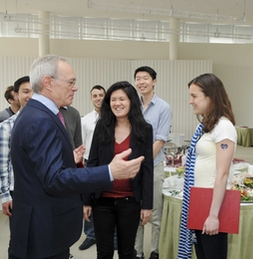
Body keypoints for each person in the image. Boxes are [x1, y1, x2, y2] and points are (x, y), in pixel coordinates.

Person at [9, 55, 145, 259]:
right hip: (43, 231)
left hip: (42, 226)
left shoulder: (38, 114)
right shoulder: (41, 120)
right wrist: (110, 171)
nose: (75, 88)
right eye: (71, 82)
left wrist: (67, 159)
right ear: (48, 82)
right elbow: (54, 180)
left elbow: (39, 167)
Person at [83, 81, 153, 259]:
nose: (117, 103)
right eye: (113, 99)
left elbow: (147, 169)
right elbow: (92, 164)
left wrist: (147, 205)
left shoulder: (144, 129)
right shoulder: (102, 127)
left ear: (131, 101)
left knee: (127, 251)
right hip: (102, 201)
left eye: (122, 99)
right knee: (104, 252)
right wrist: (86, 201)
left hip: (130, 201)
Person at [177, 73, 237, 259]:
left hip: (212, 203)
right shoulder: (205, 126)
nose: (190, 101)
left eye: (195, 96)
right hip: (199, 200)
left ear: (210, 97)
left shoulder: (223, 127)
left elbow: (222, 173)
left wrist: (213, 215)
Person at [134, 66, 172, 259]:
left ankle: (155, 251)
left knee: (155, 212)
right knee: (135, 212)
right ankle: (138, 252)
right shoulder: (133, 106)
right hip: (133, 168)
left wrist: (144, 163)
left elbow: (160, 139)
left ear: (154, 81)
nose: (141, 82)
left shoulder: (164, 107)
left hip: (154, 166)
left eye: (145, 78)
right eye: (138, 78)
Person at [0, 76, 32, 219]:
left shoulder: (49, 123)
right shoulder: (7, 126)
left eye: (34, 91)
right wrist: (5, 195)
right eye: (26, 91)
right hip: (18, 190)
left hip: (44, 190)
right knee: (19, 237)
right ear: (17, 95)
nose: (30, 95)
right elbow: (3, 163)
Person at [79, 84, 106, 251]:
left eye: (101, 95)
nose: (98, 98)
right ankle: (90, 235)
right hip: (90, 163)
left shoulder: (113, 118)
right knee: (88, 199)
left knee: (107, 198)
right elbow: (81, 144)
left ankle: (113, 235)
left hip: (108, 163)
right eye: (95, 95)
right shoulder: (85, 120)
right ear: (91, 98)